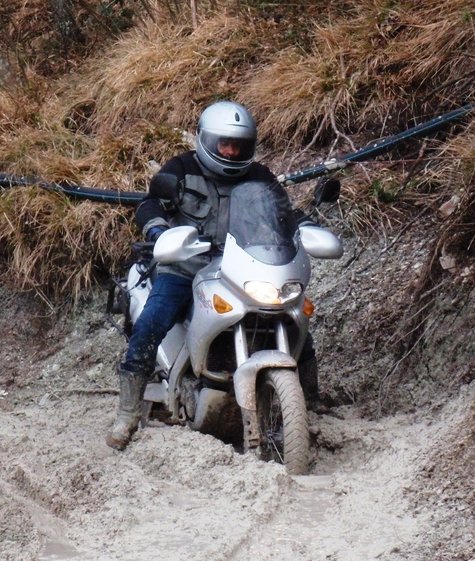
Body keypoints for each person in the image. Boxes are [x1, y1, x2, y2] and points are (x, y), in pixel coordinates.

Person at [107, 100, 323, 450]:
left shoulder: (261, 178)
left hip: (241, 267)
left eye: (239, 145)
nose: (232, 151)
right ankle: (128, 413)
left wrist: (304, 225)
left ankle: (311, 404)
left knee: (295, 318)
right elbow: (150, 204)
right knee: (153, 320)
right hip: (185, 265)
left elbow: (283, 213)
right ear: (206, 139)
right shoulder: (181, 168)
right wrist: (159, 232)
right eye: (225, 143)